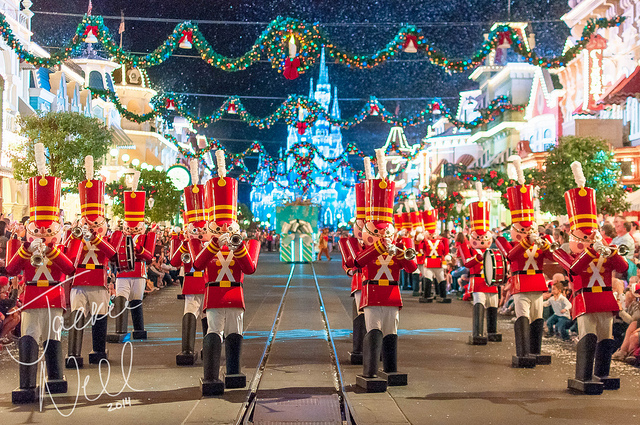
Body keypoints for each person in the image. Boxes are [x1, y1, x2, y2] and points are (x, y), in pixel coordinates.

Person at [6, 144, 78, 404]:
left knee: (53, 338)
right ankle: (26, 383)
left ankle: (55, 376)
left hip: (54, 298)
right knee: (28, 337)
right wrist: (27, 248)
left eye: (48, 231)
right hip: (32, 297)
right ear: (31, 228)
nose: (43, 235)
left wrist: (52, 250)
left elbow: (70, 269)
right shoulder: (24, 245)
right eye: (39, 231)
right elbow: (12, 269)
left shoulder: (58, 247)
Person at [553, 161, 628, 395]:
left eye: (591, 235)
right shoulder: (565, 251)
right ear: (574, 235)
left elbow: (623, 267)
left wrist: (611, 251)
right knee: (588, 335)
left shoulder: (602, 248)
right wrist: (591, 250)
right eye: (584, 237)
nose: (588, 239)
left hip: (605, 299)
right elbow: (574, 270)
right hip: (584, 299)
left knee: (606, 336)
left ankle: (602, 372)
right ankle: (584, 375)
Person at [192, 151, 260, 396]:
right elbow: (198, 265)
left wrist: (236, 245)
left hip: (236, 295)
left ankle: (233, 371)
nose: (223, 229)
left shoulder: (248, 243)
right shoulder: (204, 245)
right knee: (213, 331)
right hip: (213, 296)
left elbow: (249, 268)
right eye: (218, 227)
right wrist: (213, 244)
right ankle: (210, 375)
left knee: (235, 333)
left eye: (227, 226)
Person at [352, 154, 417, 392]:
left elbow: (412, 268)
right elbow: (359, 262)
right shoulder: (368, 248)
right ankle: (369, 371)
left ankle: (391, 368)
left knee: (392, 331)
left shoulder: (402, 244)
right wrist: (378, 247)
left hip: (392, 294)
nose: (382, 237)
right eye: (378, 233)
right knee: (375, 329)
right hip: (371, 292)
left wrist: (399, 253)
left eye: (385, 234)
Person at [495, 159, 553, 367]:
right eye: (521, 230)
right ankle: (523, 351)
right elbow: (511, 256)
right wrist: (526, 242)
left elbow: (553, 258)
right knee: (523, 317)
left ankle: (535, 350)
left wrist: (545, 244)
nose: (525, 233)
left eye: (528, 230)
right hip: (520, 284)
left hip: (537, 283)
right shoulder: (505, 241)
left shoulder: (538, 242)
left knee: (538, 317)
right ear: (514, 230)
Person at [65, 156, 121, 368]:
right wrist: (78, 237)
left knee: (99, 317)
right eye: (89, 224)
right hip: (79, 281)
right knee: (77, 317)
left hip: (98, 281)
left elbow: (111, 254)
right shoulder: (74, 237)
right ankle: (73, 353)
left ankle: (98, 350)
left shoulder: (107, 237)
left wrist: (95, 237)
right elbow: (70, 259)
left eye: (97, 223)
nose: (93, 227)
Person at [107, 171, 157, 343]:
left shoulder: (147, 237)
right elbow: (113, 255)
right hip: (122, 272)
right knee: (121, 297)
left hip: (139, 272)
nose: (133, 230)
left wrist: (136, 247)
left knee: (136, 300)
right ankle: (120, 329)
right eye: (130, 227)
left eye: (136, 228)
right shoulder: (118, 235)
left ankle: (139, 328)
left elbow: (149, 257)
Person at [171, 162, 210, 366]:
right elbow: (175, 261)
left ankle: (207, 347)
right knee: (189, 312)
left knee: (206, 314)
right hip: (192, 282)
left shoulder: (210, 243)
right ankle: (187, 348)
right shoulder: (184, 242)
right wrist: (186, 244)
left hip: (207, 282)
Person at [457, 183, 501, 345]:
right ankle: (478, 332)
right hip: (477, 282)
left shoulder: (493, 250)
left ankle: (492, 331)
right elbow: (467, 264)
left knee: (493, 306)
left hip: (491, 282)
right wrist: (478, 258)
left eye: (484, 238)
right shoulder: (470, 250)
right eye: (478, 238)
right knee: (479, 305)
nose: (481, 241)